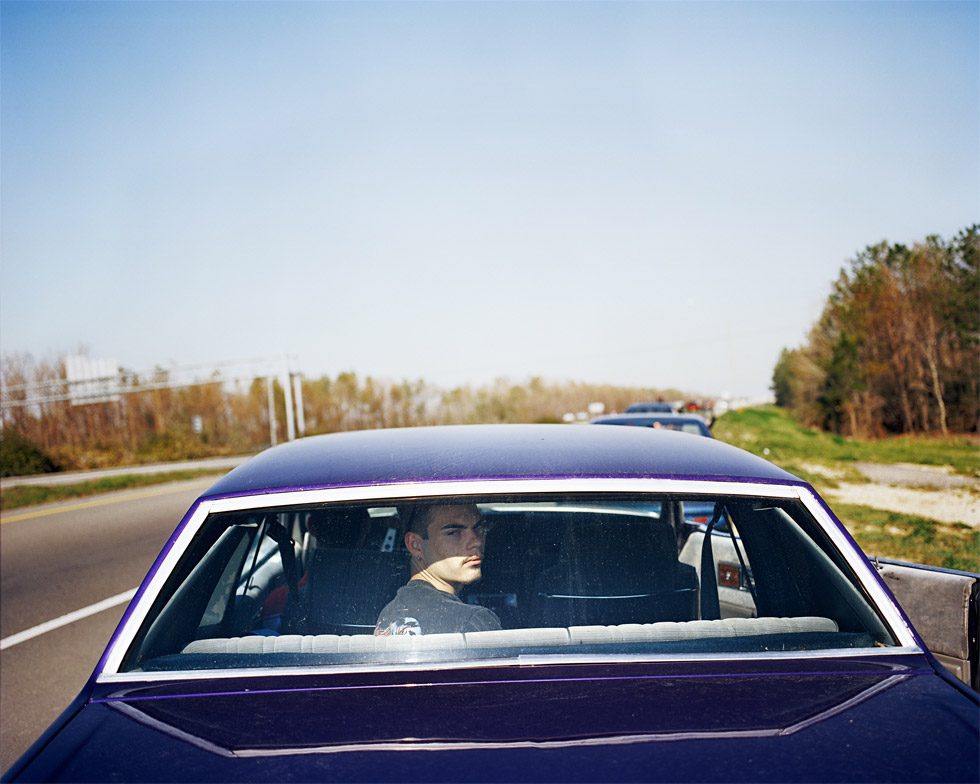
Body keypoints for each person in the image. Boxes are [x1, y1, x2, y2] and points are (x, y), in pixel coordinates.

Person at [375, 503, 501, 636]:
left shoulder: (390, 614)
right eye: (453, 533)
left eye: (479, 528)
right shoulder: (471, 622)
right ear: (415, 545)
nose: (477, 542)